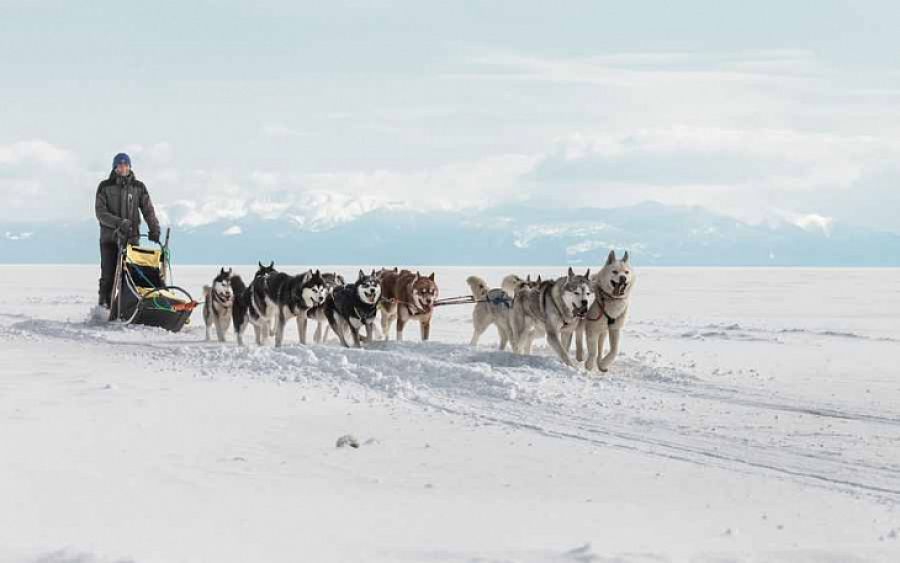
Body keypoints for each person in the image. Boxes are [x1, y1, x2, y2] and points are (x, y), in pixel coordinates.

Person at [94, 153, 161, 308]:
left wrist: (154, 229)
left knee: (132, 276)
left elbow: (148, 210)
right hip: (109, 239)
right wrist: (119, 223)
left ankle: (128, 307)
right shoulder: (104, 186)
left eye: (126, 165)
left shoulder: (138, 187)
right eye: (119, 165)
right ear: (115, 167)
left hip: (131, 239)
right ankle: (104, 307)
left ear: (130, 167)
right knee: (109, 276)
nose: (123, 168)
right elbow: (100, 213)